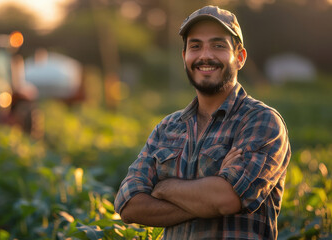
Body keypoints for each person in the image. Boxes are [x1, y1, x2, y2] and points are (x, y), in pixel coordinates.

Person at [114, 5, 291, 239]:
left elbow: (226, 200)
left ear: (239, 58)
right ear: (184, 56)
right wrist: (208, 194)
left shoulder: (262, 122)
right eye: (195, 46)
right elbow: (128, 205)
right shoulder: (167, 128)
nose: (205, 55)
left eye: (218, 46)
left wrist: (163, 188)